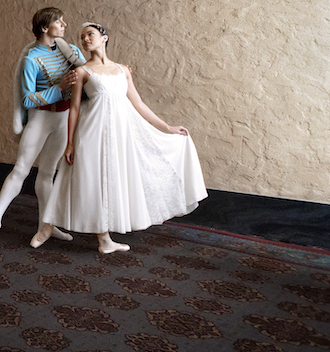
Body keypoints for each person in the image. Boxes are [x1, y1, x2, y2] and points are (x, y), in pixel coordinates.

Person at [33, 22, 207, 253]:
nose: (85, 39)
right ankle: (47, 226)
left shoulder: (122, 71)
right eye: (82, 36)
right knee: (81, 179)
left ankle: (104, 240)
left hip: (118, 136)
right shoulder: (82, 72)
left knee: (110, 181)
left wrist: (167, 126)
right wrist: (70, 142)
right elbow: (74, 109)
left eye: (90, 34)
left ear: (104, 38)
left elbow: (138, 104)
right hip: (90, 132)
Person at [0, 7, 84, 245]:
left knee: (48, 173)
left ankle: (46, 226)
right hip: (40, 119)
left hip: (63, 119)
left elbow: (90, 75)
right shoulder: (31, 59)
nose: (64, 24)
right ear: (45, 28)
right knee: (21, 170)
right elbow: (27, 99)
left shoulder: (71, 52)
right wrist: (58, 89)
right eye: (59, 21)